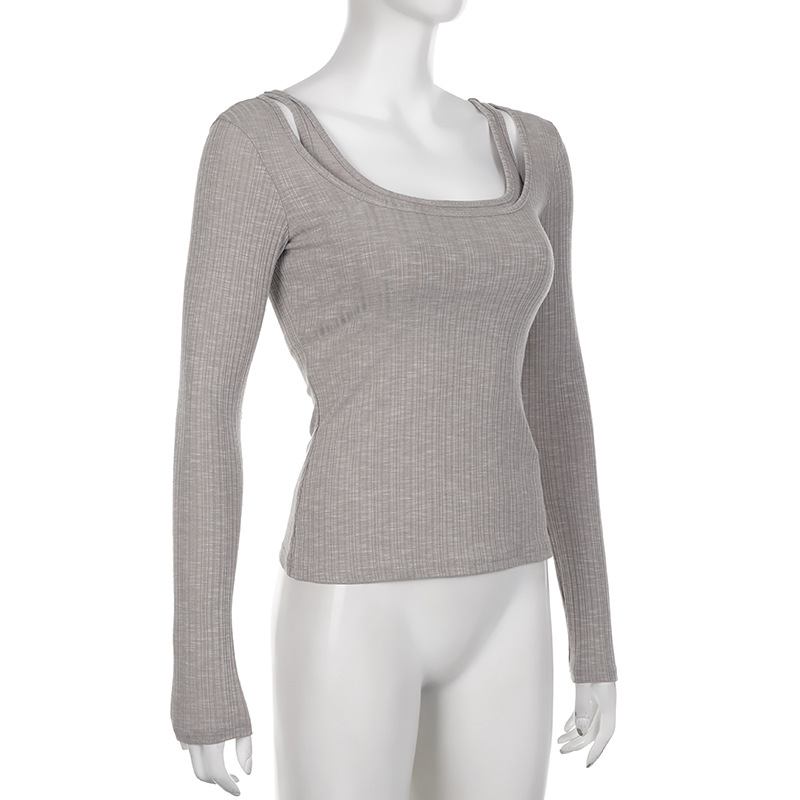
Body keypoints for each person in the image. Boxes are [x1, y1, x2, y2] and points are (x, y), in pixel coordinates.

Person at [171, 0, 618, 797]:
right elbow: (208, 412)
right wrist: (203, 675)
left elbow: (558, 394)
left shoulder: (531, 147)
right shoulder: (261, 145)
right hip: (353, 603)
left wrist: (595, 638)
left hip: (510, 599)